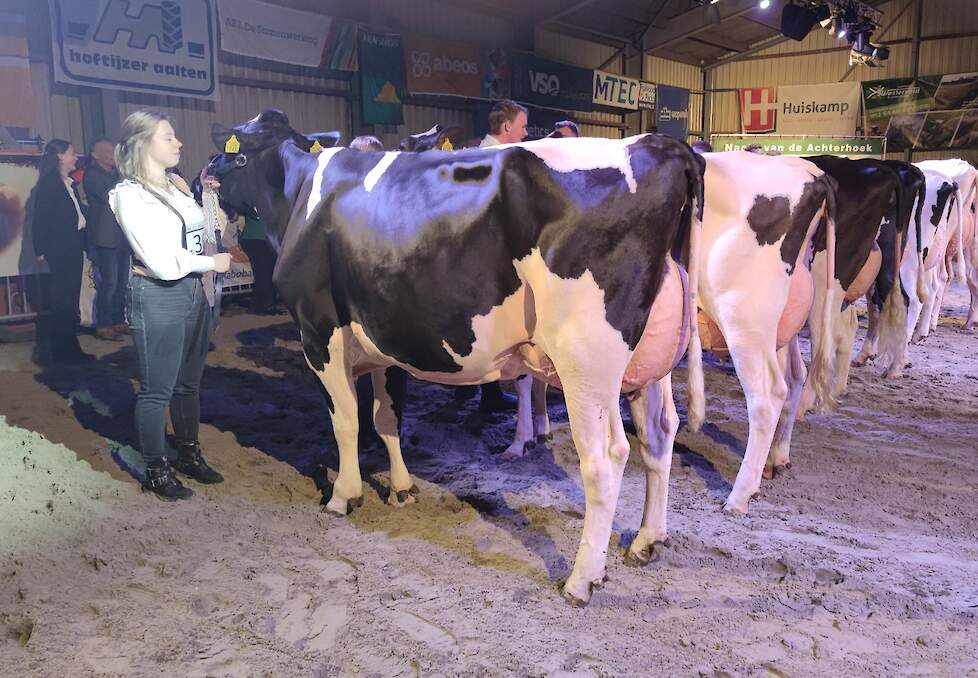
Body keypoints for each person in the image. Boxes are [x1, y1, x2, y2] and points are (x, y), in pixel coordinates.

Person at [109, 110, 232, 500]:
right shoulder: (130, 194)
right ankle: (156, 469)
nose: (179, 143)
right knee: (156, 390)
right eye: (169, 137)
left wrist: (208, 199)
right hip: (159, 294)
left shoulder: (176, 185)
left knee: (188, 384)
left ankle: (188, 454)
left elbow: (209, 230)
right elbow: (162, 262)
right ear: (144, 144)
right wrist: (211, 264)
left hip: (195, 291)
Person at [32, 139, 92, 365]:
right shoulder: (49, 184)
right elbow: (41, 219)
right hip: (61, 249)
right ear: (60, 156)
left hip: (73, 246)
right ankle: (61, 351)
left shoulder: (68, 184)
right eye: (72, 153)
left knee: (69, 300)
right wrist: (40, 250)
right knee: (63, 300)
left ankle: (70, 347)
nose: (76, 157)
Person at [84, 137, 130, 341]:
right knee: (109, 283)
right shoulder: (92, 175)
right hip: (105, 237)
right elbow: (111, 195)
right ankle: (104, 324)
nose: (111, 155)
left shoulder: (118, 174)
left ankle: (119, 320)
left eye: (113, 151)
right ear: (94, 155)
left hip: (121, 235)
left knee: (121, 282)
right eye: (106, 152)